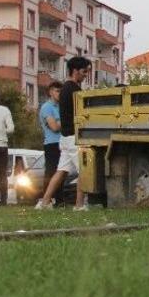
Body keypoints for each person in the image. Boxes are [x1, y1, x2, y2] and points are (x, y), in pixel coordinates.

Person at [36, 56, 91, 211]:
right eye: (84, 71)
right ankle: (79, 205)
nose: (86, 74)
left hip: (65, 138)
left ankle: (45, 202)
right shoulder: (74, 89)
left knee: (61, 171)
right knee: (84, 171)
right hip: (74, 137)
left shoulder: (65, 89)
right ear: (75, 70)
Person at [38, 80, 63, 190]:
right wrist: (66, 120)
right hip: (52, 143)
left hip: (62, 142)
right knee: (51, 172)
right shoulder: (47, 107)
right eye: (57, 91)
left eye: (61, 91)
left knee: (61, 172)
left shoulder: (60, 106)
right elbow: (54, 127)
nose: (59, 94)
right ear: (50, 92)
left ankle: (59, 200)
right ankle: (47, 199)